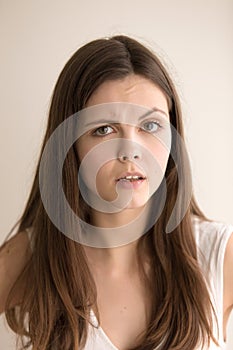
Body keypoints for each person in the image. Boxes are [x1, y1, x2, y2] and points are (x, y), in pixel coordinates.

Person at [0, 35, 232, 350]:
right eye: (104, 129)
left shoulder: (219, 254)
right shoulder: (32, 257)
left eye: (151, 126)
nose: (131, 150)